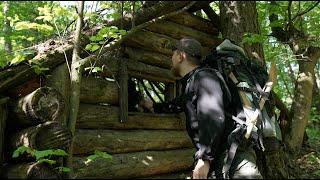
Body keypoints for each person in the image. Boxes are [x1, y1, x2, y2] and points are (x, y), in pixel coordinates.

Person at [140, 37, 263, 179]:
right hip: (222, 160)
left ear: (181, 56)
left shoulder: (204, 77)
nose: (171, 59)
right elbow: (178, 103)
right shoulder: (193, 83)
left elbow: (213, 117)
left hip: (235, 159)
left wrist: (204, 158)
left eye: (172, 55)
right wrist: (153, 106)